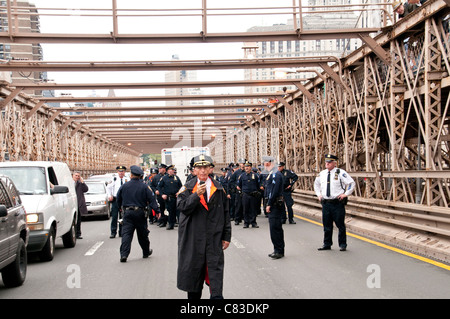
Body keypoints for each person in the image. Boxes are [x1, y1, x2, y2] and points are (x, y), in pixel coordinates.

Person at [177, 154, 231, 299]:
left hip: (213, 239)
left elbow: (226, 214)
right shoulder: (187, 188)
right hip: (194, 240)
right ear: (193, 171)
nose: (202, 171)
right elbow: (182, 207)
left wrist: (226, 236)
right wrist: (195, 196)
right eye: (199, 168)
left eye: (205, 167)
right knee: (194, 280)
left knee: (215, 278)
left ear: (210, 169)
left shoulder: (218, 189)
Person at [117, 165, 160, 262]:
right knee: (142, 234)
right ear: (140, 176)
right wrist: (157, 211)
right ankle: (145, 252)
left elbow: (118, 199)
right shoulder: (145, 186)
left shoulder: (124, 186)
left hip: (127, 213)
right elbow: (152, 199)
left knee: (126, 235)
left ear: (131, 175)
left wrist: (120, 208)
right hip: (140, 213)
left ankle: (124, 255)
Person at [314, 154, 355, 251]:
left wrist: (346, 194)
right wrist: (319, 195)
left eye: (329, 162)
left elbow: (351, 183)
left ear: (334, 163)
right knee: (327, 225)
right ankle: (327, 244)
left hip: (337, 203)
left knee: (340, 225)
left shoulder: (340, 172)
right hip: (326, 203)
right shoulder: (322, 174)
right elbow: (316, 185)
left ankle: (342, 244)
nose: (327, 163)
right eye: (326, 162)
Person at [264, 156, 285, 259]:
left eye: (266, 163)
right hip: (275, 204)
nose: (265, 165)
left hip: (275, 205)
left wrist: (269, 204)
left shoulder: (275, 175)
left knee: (275, 228)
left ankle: (279, 250)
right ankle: (278, 249)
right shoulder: (273, 174)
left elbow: (274, 191)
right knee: (276, 228)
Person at [158, 165, 182, 230]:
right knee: (170, 211)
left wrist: (179, 192)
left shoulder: (176, 178)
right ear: (167, 171)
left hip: (176, 197)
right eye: (170, 170)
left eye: (172, 170)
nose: (171, 171)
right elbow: (159, 187)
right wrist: (162, 194)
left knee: (178, 211)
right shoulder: (164, 178)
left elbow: (181, 187)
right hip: (169, 198)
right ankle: (171, 224)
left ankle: (181, 225)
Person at [106, 165, 128, 238]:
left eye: (122, 171)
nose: (121, 173)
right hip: (116, 199)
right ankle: (113, 232)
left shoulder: (127, 179)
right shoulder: (114, 179)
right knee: (115, 216)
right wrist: (110, 195)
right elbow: (108, 188)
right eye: (119, 171)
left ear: (124, 172)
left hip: (124, 199)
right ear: (117, 172)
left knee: (123, 216)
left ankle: (121, 232)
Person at [237, 161, 260, 228]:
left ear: (251, 167)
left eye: (248, 167)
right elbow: (239, 185)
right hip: (245, 194)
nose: (246, 168)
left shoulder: (255, 175)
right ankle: (246, 223)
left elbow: (258, 185)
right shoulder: (242, 176)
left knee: (253, 209)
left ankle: (253, 222)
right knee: (245, 209)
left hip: (253, 195)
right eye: (245, 167)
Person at [228, 158, 245, 225]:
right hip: (238, 192)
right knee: (238, 205)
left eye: (243, 163)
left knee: (246, 206)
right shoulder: (236, 173)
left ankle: (246, 219)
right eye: (241, 163)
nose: (242, 165)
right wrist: (236, 186)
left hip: (245, 191)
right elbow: (230, 181)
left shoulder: (247, 173)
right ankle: (237, 219)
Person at [73, 171, 88, 239]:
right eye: (76, 175)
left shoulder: (80, 183)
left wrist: (82, 182)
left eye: (78, 176)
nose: (77, 177)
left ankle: (78, 233)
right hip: (72, 203)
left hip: (78, 203)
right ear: (73, 176)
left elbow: (86, 189)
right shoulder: (70, 183)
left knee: (78, 219)